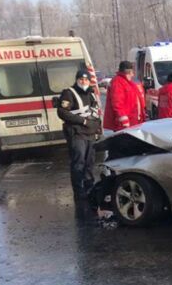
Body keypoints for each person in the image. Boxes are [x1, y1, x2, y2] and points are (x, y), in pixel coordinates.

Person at [57, 69, 102, 199]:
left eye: (86, 79)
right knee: (79, 161)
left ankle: (89, 187)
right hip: (77, 133)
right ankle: (78, 190)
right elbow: (62, 112)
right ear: (77, 80)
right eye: (81, 79)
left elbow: (95, 112)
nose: (83, 82)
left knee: (89, 162)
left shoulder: (91, 93)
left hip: (90, 133)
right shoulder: (69, 93)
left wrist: (97, 127)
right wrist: (83, 121)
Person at [104, 61, 145, 131]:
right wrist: (123, 119)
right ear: (128, 72)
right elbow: (117, 103)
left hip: (133, 121)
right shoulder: (117, 82)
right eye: (132, 72)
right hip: (125, 124)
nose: (133, 75)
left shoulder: (127, 82)